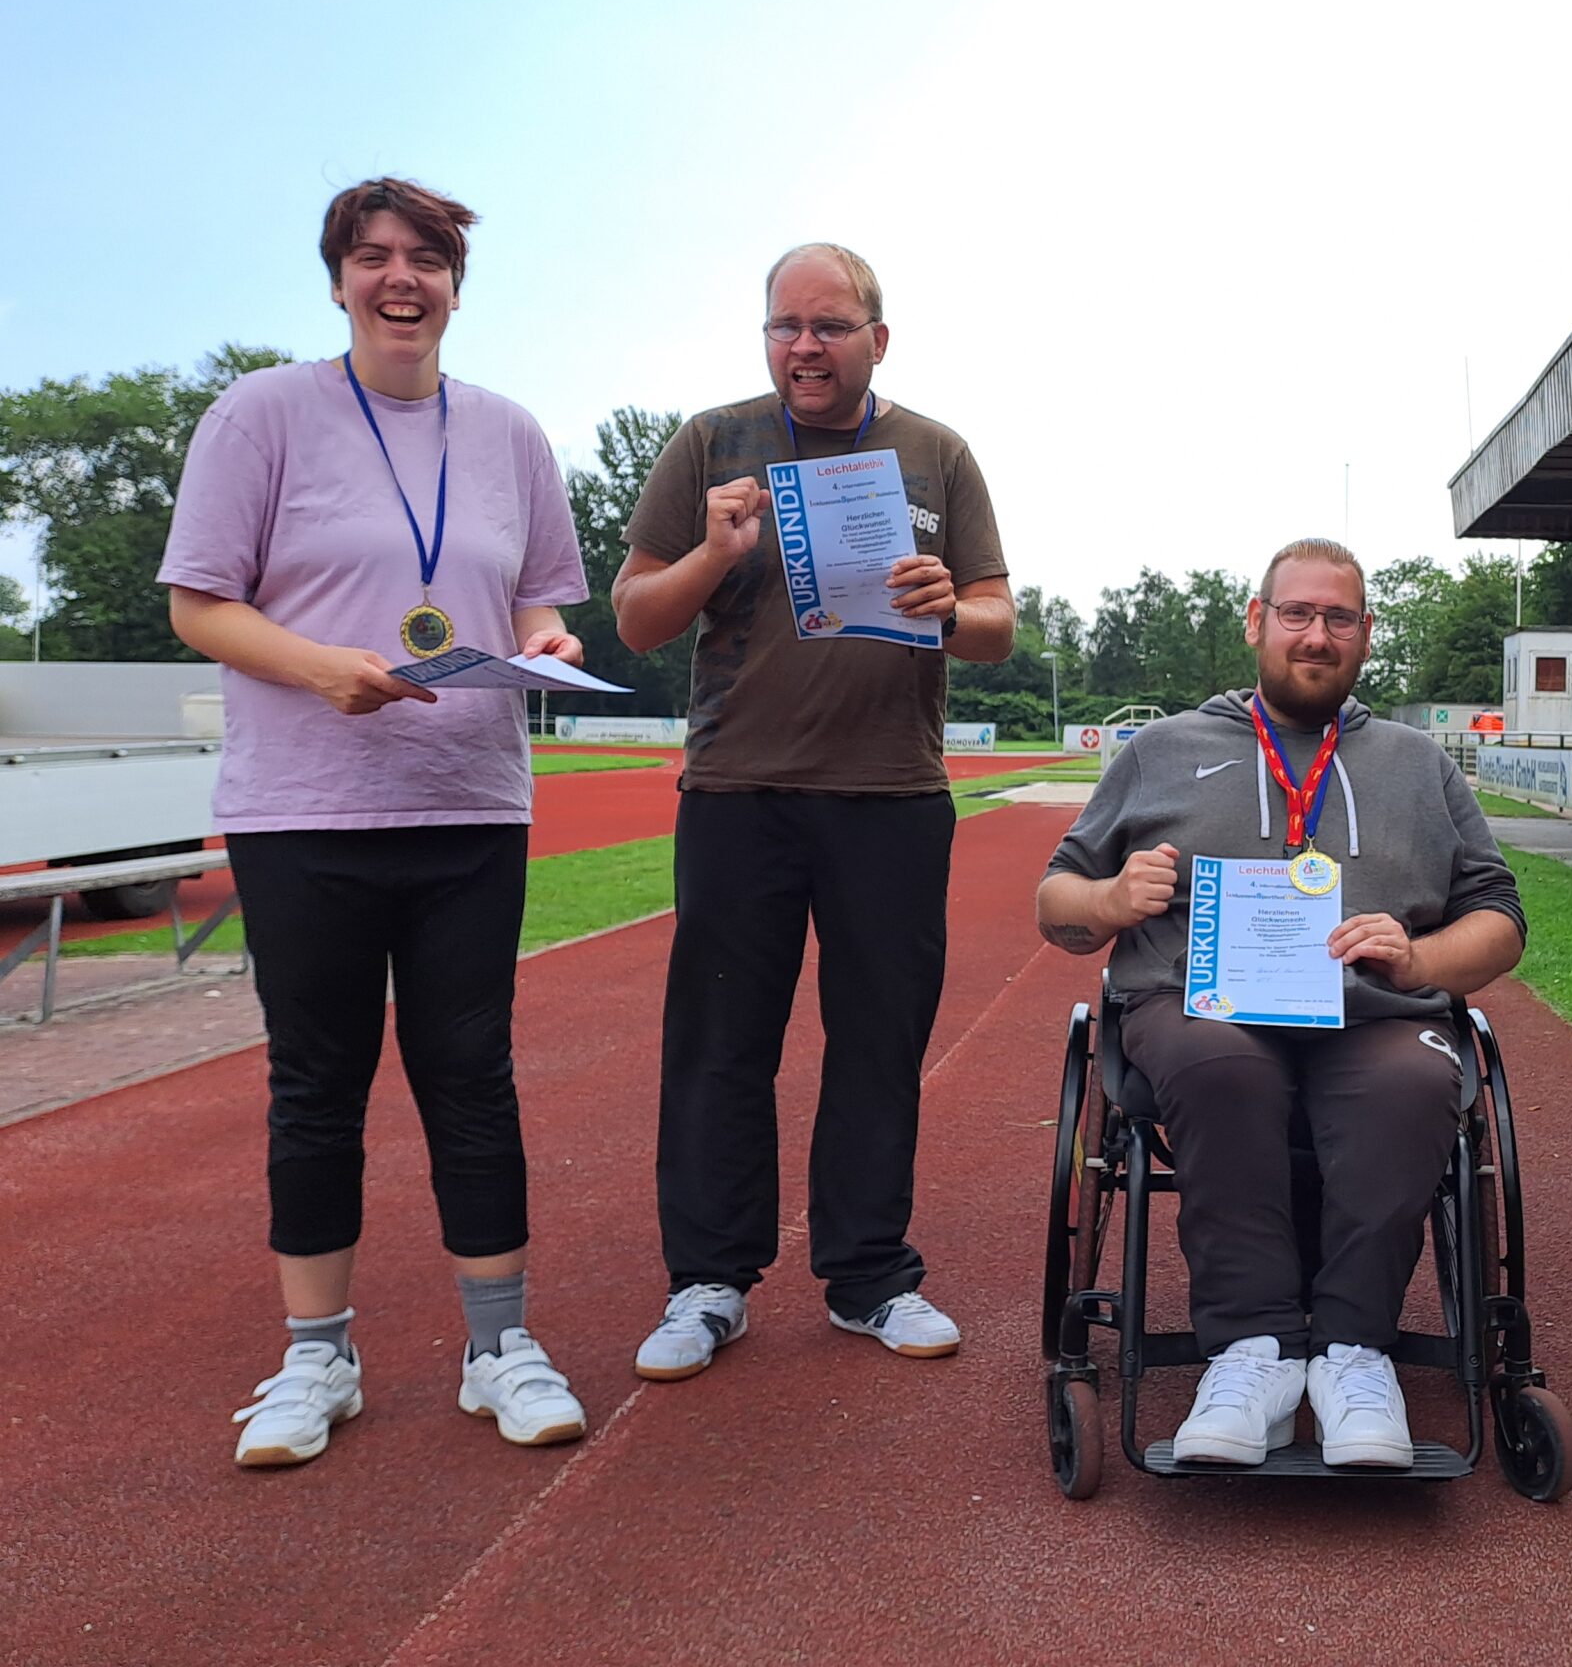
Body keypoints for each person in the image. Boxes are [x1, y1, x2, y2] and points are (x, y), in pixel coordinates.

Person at [162, 178, 593, 1467]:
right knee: (316, 1083)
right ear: (339, 278)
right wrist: (320, 670)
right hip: (305, 808)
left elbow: (538, 601)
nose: (401, 278)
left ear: (456, 285)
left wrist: (546, 643)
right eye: (373, 256)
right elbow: (198, 603)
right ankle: (317, 1358)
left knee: (472, 1075)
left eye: (426, 259)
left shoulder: (509, 433)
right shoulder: (260, 413)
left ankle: (498, 1348)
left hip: (469, 805)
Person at [614, 243, 1014, 1380]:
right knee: (719, 1045)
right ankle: (708, 1280)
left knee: (879, 1045)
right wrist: (711, 553)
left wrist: (949, 609)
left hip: (891, 794)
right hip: (738, 791)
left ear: (876, 340)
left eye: (830, 326)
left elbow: (999, 623)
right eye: (784, 326)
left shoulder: (936, 453)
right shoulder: (711, 441)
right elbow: (636, 617)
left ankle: (869, 1275)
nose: (804, 346)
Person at [1035, 540, 1525, 1469]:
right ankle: (1250, 1354)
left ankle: (1353, 1356)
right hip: (1201, 1009)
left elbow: (1500, 919)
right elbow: (1056, 900)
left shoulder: (1418, 763)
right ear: (1257, 622)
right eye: (1297, 613)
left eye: (1339, 618)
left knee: (1412, 1088)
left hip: (1372, 1013)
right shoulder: (1162, 749)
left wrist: (1419, 958)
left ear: (1366, 634)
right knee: (1224, 1070)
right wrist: (1110, 898)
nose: (1317, 635)